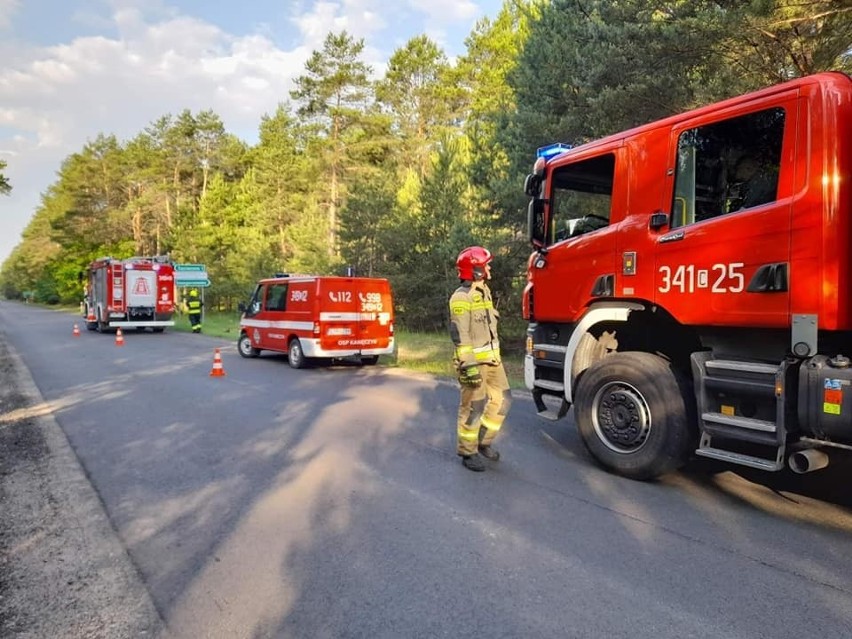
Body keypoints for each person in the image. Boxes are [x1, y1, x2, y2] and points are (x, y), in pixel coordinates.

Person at [448, 246, 512, 472]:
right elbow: (460, 335)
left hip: (493, 360)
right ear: (475, 269)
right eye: (486, 264)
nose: (489, 267)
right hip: (473, 363)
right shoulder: (460, 297)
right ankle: (468, 452)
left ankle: (483, 442)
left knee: (503, 400)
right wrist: (468, 365)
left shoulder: (483, 291)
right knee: (473, 407)